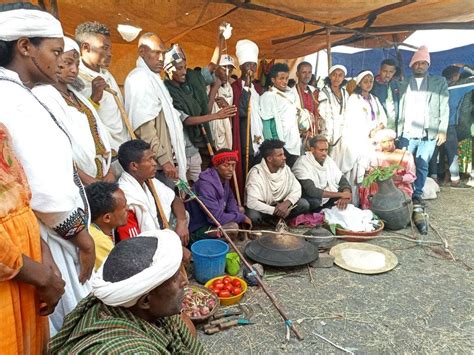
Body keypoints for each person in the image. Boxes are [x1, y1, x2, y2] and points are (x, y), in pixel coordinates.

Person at [0, 5, 95, 336]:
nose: (60, 60)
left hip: (41, 240)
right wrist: (83, 240)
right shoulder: (13, 100)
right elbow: (46, 191)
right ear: (25, 47)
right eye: (55, 52)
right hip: (52, 239)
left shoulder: (17, 94)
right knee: (75, 327)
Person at [49, 233, 205, 354]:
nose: (185, 281)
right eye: (175, 276)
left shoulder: (146, 313)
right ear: (145, 301)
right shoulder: (128, 351)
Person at [0, 114, 64, 353]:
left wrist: (43, 253)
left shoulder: (1, 130)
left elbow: (20, 201)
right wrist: (43, 276)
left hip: (28, 274)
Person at [33, 37, 114, 185]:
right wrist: (87, 180)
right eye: (68, 63)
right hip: (77, 181)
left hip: (101, 176)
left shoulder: (77, 97)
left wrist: (108, 171)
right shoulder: (43, 96)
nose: (74, 70)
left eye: (77, 64)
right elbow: (55, 149)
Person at [163, 38, 237, 183]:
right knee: (182, 189)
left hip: (194, 149)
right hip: (178, 151)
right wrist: (216, 116)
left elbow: (211, 65)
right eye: (179, 68)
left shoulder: (192, 78)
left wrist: (220, 37)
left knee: (200, 186)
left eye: (185, 67)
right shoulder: (167, 91)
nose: (184, 71)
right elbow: (187, 119)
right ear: (168, 70)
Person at [124, 32, 187, 186]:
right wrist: (164, 160)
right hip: (157, 165)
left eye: (163, 53)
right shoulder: (139, 79)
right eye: (156, 52)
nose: (161, 58)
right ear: (142, 52)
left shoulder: (154, 80)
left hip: (166, 161)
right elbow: (145, 130)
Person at [75, 21, 130, 174]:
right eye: (104, 48)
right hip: (106, 153)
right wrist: (94, 98)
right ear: (85, 48)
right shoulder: (75, 80)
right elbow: (79, 121)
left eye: (110, 48)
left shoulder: (107, 75)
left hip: (124, 147)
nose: (110, 53)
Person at [397, 46, 449, 204]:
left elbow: (444, 106)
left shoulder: (439, 82)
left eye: (423, 63)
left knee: (421, 164)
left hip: (429, 132)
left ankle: (417, 194)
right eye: (416, 63)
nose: (419, 66)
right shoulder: (403, 82)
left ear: (428, 65)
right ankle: (402, 193)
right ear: (411, 65)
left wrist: (442, 130)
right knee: (403, 164)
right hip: (407, 131)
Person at [116, 140, 189, 247]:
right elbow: (134, 246)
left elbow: (175, 199)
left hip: (161, 237)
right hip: (145, 249)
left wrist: (182, 222)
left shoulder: (147, 180)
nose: (155, 163)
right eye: (149, 159)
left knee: (185, 215)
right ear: (134, 166)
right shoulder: (126, 197)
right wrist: (176, 248)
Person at [332, 70, 387, 206]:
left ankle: (366, 202)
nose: (368, 84)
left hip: (372, 140)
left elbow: (384, 118)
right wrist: (370, 131)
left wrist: (378, 128)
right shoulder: (354, 99)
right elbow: (353, 121)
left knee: (368, 172)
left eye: (371, 81)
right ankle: (352, 202)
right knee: (355, 173)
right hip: (357, 139)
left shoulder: (375, 99)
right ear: (359, 83)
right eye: (365, 81)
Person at [187, 149, 252, 243]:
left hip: (214, 219)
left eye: (233, 165)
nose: (231, 169)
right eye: (226, 165)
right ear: (216, 166)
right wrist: (242, 218)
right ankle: (212, 245)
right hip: (200, 226)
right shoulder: (205, 185)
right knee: (232, 228)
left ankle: (233, 238)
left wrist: (237, 214)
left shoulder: (223, 179)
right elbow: (216, 218)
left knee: (240, 209)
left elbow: (231, 200)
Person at [429, 64, 474, 188]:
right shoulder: (458, 86)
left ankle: (434, 178)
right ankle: (455, 180)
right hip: (449, 124)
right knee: (452, 152)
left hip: (433, 123)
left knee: (434, 151)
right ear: (455, 76)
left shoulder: (435, 86)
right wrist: (465, 66)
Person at [245, 140, 310, 225]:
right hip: (266, 209)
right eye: (280, 155)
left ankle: (277, 220)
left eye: (283, 154)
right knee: (253, 215)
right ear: (269, 159)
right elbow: (252, 202)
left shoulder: (285, 169)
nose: (284, 157)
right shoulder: (256, 173)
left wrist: (286, 203)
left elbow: (297, 189)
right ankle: (273, 220)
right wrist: (275, 210)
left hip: (282, 205)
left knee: (304, 204)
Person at [231, 39, 264, 197]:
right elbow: (242, 112)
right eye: (248, 64)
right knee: (246, 168)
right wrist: (246, 88)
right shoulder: (236, 88)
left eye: (254, 65)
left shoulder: (259, 88)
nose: (251, 68)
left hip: (260, 136)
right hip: (245, 136)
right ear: (241, 67)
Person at [260, 63, 305, 167]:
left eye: (286, 78)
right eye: (281, 78)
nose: (284, 81)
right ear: (273, 80)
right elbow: (267, 124)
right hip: (279, 144)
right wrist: (272, 148)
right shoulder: (268, 97)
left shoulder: (291, 94)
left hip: (293, 141)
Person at [359, 129, 416, 209]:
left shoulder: (405, 155)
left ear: (394, 140)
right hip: (380, 186)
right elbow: (371, 172)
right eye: (384, 142)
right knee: (368, 187)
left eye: (390, 141)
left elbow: (412, 176)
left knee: (399, 199)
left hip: (398, 186)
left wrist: (399, 178)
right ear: (380, 143)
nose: (388, 144)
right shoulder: (376, 155)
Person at [292, 135, 352, 211]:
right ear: (312, 150)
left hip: (325, 196)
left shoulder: (328, 160)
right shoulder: (302, 163)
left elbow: (342, 179)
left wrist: (346, 193)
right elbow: (311, 190)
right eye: (321, 150)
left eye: (326, 150)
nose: (324, 153)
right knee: (315, 201)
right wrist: (341, 194)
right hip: (308, 197)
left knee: (343, 192)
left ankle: (326, 210)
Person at [85, 182, 128, 270]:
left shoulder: (89, 229)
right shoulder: (100, 241)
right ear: (107, 218)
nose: (128, 208)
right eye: (124, 207)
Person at [207, 54, 236, 150]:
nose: (227, 73)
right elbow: (206, 112)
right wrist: (215, 88)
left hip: (224, 133)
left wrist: (226, 106)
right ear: (216, 68)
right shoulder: (206, 85)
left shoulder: (229, 88)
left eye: (230, 70)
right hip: (209, 136)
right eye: (224, 69)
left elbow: (232, 116)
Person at [318, 64, 349, 148]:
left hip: (342, 135)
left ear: (343, 78)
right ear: (330, 76)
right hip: (327, 134)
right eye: (334, 74)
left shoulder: (345, 93)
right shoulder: (324, 93)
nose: (337, 78)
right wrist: (327, 137)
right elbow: (324, 116)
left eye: (340, 75)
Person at [371, 59, 400, 132]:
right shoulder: (371, 85)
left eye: (391, 72)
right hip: (378, 129)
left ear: (394, 72)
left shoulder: (395, 84)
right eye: (385, 71)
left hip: (394, 128)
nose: (387, 75)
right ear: (380, 70)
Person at [294, 61, 320, 132]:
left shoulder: (315, 92)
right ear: (297, 74)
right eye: (304, 72)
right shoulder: (292, 93)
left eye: (309, 72)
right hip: (298, 134)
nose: (307, 75)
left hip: (313, 133)